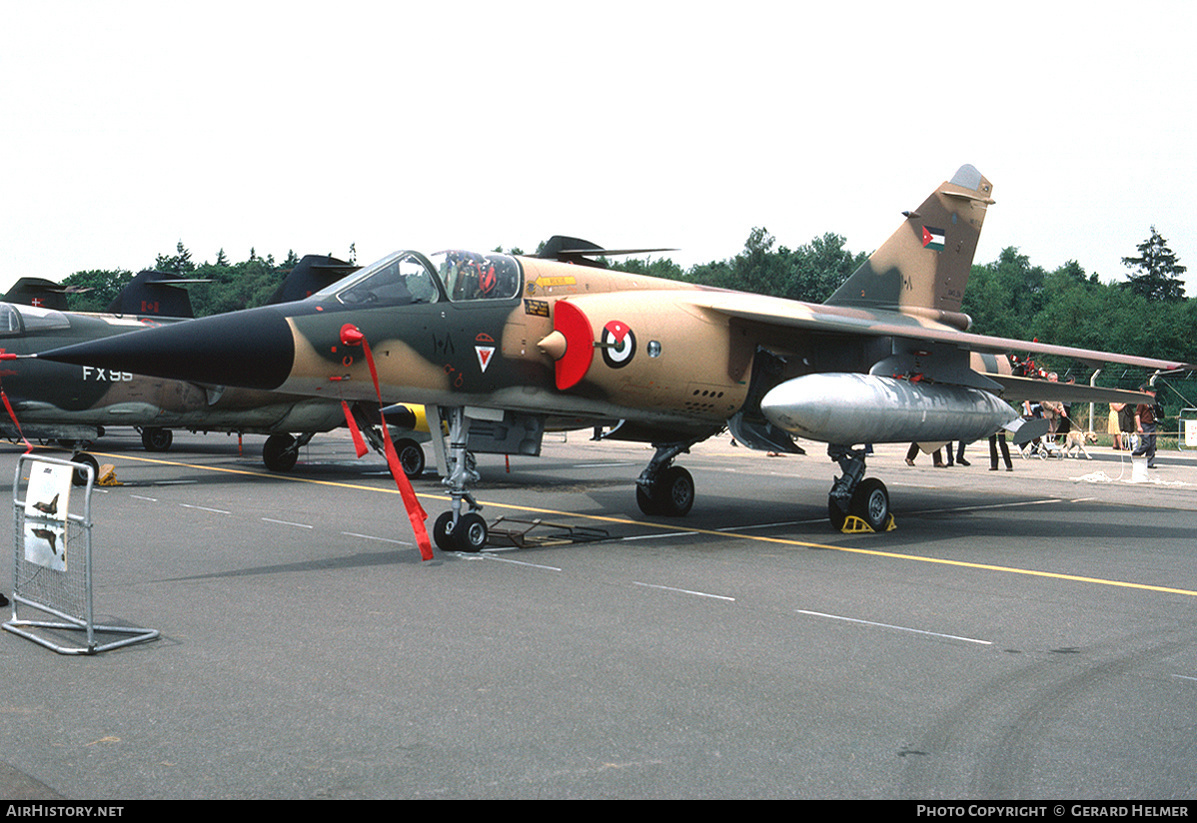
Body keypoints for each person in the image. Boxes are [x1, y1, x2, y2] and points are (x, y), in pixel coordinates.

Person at [1133, 386, 1159, 469]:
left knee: (1152, 445)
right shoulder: (1142, 401)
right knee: (1146, 444)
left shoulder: (1152, 402)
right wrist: (1139, 426)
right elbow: (1137, 414)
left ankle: (1149, 463)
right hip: (1144, 425)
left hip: (1151, 424)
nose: (1154, 394)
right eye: (1152, 392)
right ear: (1147, 392)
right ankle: (1135, 454)